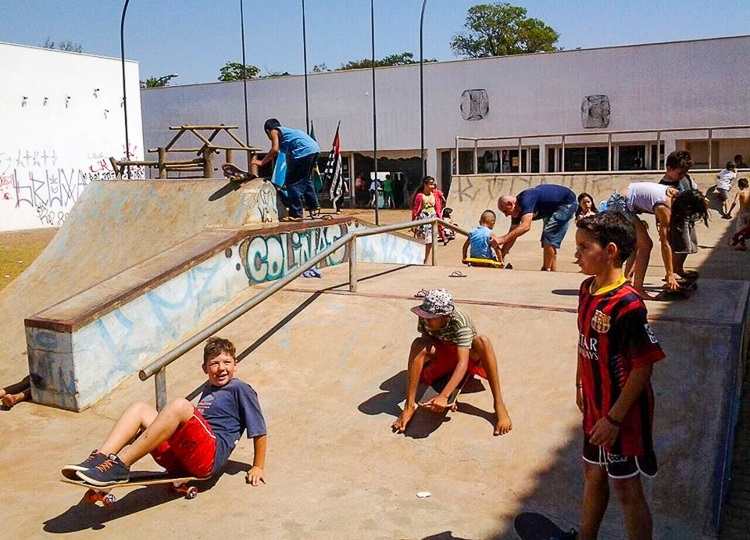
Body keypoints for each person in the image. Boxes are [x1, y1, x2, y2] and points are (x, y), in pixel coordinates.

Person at [63, 337, 267, 487]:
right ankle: (101, 457)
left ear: (235, 365)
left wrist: (258, 466)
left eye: (227, 362)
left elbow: (259, 429)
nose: (221, 368)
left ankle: (121, 464)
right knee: (140, 408)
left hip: (209, 457)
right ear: (205, 368)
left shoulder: (239, 389)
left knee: (180, 405)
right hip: (185, 458)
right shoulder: (208, 390)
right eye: (214, 363)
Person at [574, 211, 665, 540]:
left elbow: (644, 365)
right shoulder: (587, 289)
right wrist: (580, 382)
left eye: (584, 248)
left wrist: (613, 419)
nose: (576, 255)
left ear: (610, 250)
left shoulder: (628, 305)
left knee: (626, 490)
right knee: (592, 474)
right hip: (595, 410)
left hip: (621, 417)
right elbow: (584, 340)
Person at [391, 289, 512, 436]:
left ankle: (499, 404)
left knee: (483, 342)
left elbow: (462, 362)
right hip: (443, 355)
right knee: (418, 343)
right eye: (425, 317)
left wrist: (444, 396)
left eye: (431, 318)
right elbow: (426, 341)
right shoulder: (424, 318)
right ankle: (409, 406)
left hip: (466, 358)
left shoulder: (461, 323)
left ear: (446, 316)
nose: (426, 320)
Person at [606, 182, 708, 299]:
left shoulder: (675, 194)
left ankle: (627, 281)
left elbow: (652, 201)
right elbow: (665, 245)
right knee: (646, 245)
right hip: (619, 203)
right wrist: (670, 274)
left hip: (620, 199)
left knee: (637, 245)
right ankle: (638, 289)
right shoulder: (665, 208)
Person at [495, 184, 578, 271]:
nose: (506, 215)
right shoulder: (517, 210)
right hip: (551, 207)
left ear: (510, 204)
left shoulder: (526, 199)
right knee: (547, 240)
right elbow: (512, 235)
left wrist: (502, 239)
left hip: (567, 202)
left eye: (505, 211)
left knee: (549, 235)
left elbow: (526, 226)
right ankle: (553, 272)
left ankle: (546, 269)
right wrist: (500, 257)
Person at [252, 118, 320, 222]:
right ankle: (313, 204)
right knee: (305, 180)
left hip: (303, 152)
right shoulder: (288, 136)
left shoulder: (274, 131)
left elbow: (274, 149)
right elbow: (286, 156)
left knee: (293, 183)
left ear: (267, 130)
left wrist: (261, 162)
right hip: (314, 150)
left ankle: (296, 214)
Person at [658, 150, 703, 279]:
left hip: (688, 218)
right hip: (675, 221)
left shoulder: (685, 178)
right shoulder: (663, 187)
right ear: (669, 169)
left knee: (687, 247)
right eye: (679, 173)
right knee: (677, 247)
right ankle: (672, 272)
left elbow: (693, 190)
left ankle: (679, 268)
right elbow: (660, 208)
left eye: (685, 172)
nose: (682, 175)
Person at [412, 176, 446, 263]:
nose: (433, 186)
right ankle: (419, 258)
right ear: (425, 185)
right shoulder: (420, 196)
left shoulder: (434, 194)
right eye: (430, 184)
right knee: (422, 239)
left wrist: (440, 220)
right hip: (424, 218)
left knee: (430, 240)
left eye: (433, 184)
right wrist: (413, 223)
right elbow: (415, 210)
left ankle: (426, 260)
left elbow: (437, 208)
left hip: (432, 217)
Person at [727, 177, 750, 250]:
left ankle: (742, 245)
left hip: (742, 214)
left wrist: (729, 211)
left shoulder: (740, 193)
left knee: (740, 230)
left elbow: (735, 202)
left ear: (739, 186)